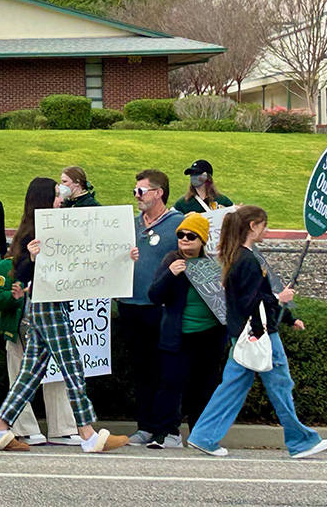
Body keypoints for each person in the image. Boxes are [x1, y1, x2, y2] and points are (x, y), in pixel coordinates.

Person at [0, 177, 131, 454]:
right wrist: (31, 257)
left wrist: (123, 257)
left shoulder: (57, 226)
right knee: (72, 365)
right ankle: (87, 432)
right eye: (54, 194)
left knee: (30, 373)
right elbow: (21, 274)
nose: (60, 198)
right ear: (42, 199)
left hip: (50, 303)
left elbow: (85, 258)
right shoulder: (33, 232)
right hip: (45, 303)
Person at [188, 205, 327, 459]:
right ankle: (299, 440)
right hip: (260, 333)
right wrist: (280, 299)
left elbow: (249, 299)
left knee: (232, 386)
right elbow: (256, 300)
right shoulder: (249, 260)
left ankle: (204, 435)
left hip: (242, 332)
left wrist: (287, 316)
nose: (266, 230)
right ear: (253, 226)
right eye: (264, 225)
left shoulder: (237, 257)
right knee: (280, 385)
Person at [145, 212, 227, 449]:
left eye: (191, 236)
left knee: (203, 387)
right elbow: (154, 295)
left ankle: (199, 434)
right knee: (170, 384)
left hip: (208, 337)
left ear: (202, 240)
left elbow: (224, 302)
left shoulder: (211, 265)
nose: (185, 240)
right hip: (177, 335)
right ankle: (167, 433)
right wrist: (171, 274)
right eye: (181, 235)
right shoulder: (171, 261)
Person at [0, 254, 80, 447]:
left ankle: (63, 428)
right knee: (19, 379)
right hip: (19, 330)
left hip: (51, 328)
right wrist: (14, 297)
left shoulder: (59, 263)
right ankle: (25, 430)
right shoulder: (8, 265)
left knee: (57, 377)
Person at [123, 168, 183, 447]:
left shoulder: (177, 224)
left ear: (158, 193)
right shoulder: (131, 224)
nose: (137, 196)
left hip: (161, 307)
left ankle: (168, 428)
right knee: (141, 369)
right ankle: (145, 426)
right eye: (136, 191)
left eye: (141, 191)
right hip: (130, 304)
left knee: (166, 370)